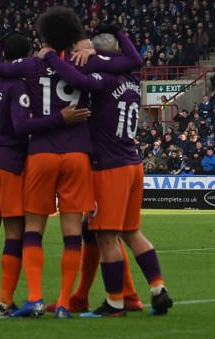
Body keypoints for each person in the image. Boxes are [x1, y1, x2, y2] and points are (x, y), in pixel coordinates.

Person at [0, 7, 137, 318]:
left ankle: (35, 299)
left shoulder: (33, 64)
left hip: (41, 153)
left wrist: (3, 41)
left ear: (44, 35)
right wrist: (104, 43)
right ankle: (64, 303)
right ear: (75, 34)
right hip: (77, 154)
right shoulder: (84, 62)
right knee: (72, 233)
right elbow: (133, 62)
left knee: (33, 230)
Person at [44, 28, 173, 317]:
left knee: (106, 237)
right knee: (132, 232)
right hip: (132, 163)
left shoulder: (105, 79)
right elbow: (129, 58)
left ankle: (115, 303)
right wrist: (103, 49)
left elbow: (78, 80)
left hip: (109, 168)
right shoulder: (130, 80)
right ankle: (158, 288)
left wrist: (52, 57)